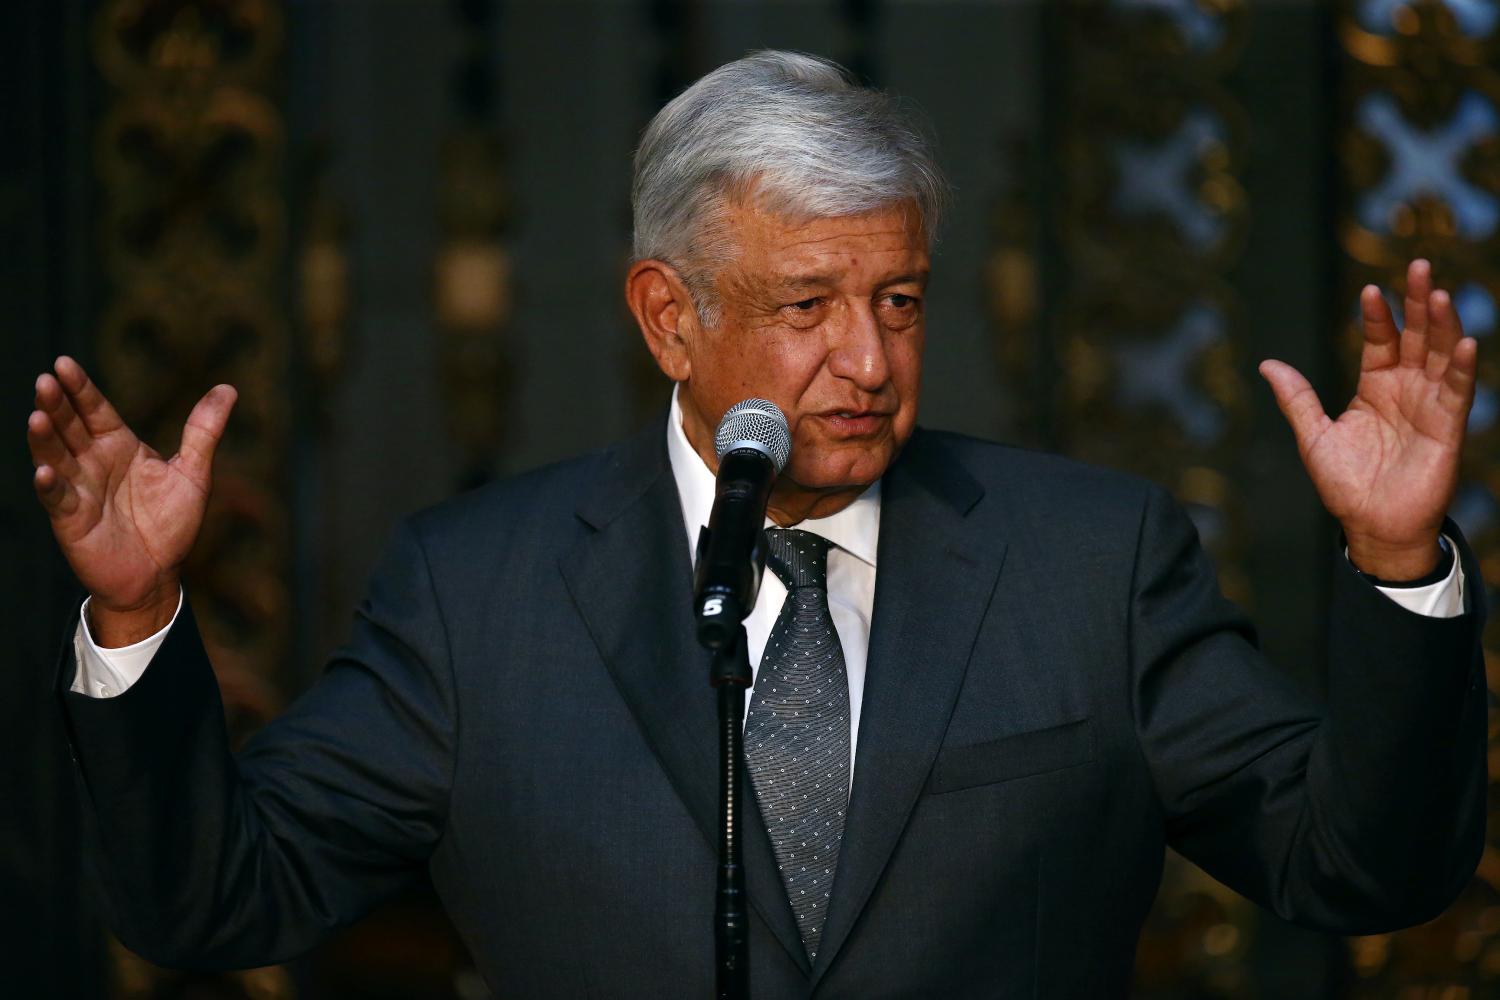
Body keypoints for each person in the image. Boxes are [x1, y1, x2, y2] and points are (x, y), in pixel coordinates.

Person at [27, 51, 1485, 998]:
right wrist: (142, 617)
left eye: (898, 301)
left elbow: (1363, 868)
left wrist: (1402, 564)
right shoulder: (479, 595)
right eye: (807, 306)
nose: (867, 359)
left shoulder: (1088, 562)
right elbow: (218, 903)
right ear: (671, 318)